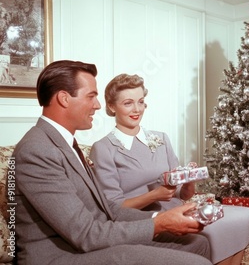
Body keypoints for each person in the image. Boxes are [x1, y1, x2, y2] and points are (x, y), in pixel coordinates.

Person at [13, 60, 212, 265]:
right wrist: (160, 225)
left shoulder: (65, 143)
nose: (98, 105)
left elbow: (108, 210)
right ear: (64, 98)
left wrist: (162, 218)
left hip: (88, 242)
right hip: (63, 255)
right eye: (91, 96)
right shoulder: (37, 150)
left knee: (198, 244)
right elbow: (85, 234)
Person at [89, 73, 249, 265]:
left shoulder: (161, 138)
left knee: (244, 217)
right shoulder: (104, 148)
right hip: (146, 222)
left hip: (181, 210)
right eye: (128, 103)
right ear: (112, 107)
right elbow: (113, 208)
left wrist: (189, 179)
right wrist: (155, 195)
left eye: (141, 102)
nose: (137, 109)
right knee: (214, 232)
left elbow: (183, 194)